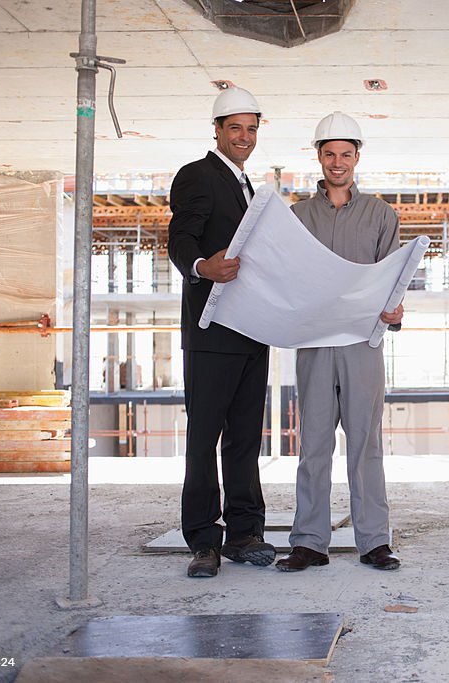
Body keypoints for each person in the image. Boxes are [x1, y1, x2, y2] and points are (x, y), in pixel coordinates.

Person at [276, 111, 404, 572]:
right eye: (329, 154)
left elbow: (394, 276)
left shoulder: (380, 214)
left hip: (361, 343)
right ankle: (309, 540)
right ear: (318, 157)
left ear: (356, 157)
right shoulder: (297, 217)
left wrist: (395, 309)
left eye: (345, 154)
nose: (337, 162)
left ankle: (374, 540)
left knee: (366, 442)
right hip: (314, 342)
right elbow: (286, 278)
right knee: (313, 442)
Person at [167, 87, 275, 578]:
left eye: (251, 129)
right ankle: (204, 541)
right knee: (204, 436)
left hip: (252, 331)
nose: (244, 138)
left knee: (245, 438)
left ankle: (245, 533)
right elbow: (181, 238)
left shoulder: (249, 186)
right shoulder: (198, 175)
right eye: (236, 128)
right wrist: (200, 267)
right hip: (212, 332)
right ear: (217, 130)